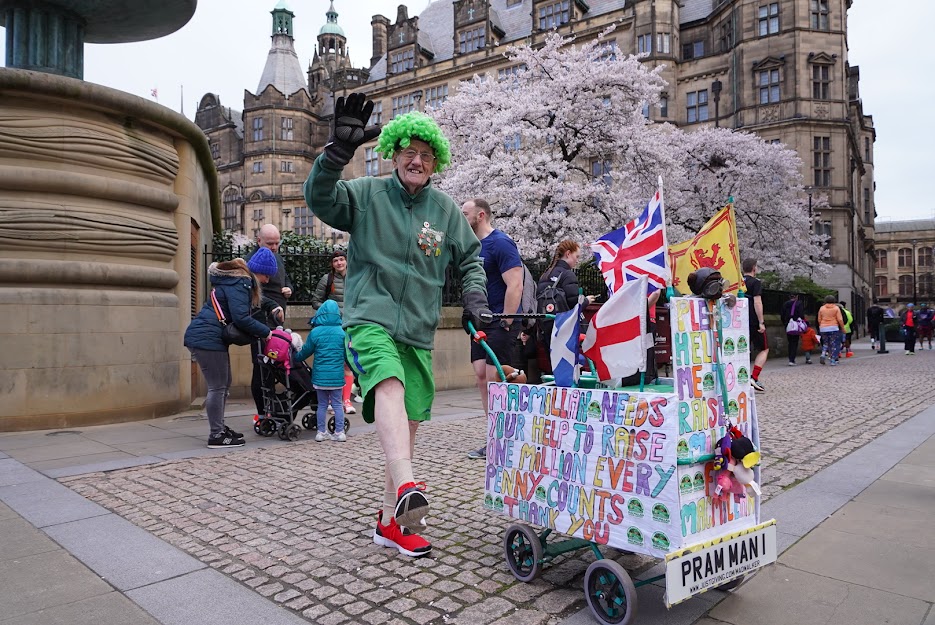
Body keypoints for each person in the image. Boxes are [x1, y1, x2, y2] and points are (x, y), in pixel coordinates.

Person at [303, 93, 490, 558]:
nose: (418, 160)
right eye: (409, 152)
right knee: (385, 381)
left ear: (436, 163)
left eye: (427, 155)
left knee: (405, 428)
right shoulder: (366, 195)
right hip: (370, 317)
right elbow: (319, 198)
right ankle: (409, 484)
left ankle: (391, 519)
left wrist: (474, 295)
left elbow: (469, 258)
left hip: (419, 331)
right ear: (393, 153)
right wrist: (336, 156)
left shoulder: (445, 211)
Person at [184, 250, 280, 447]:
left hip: (210, 337)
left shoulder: (235, 282)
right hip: (206, 338)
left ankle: (220, 428)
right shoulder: (241, 283)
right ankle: (216, 435)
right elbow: (241, 318)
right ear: (257, 271)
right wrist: (266, 332)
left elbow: (245, 310)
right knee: (218, 386)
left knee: (224, 384)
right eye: (266, 275)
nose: (268, 280)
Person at [462, 198, 524, 460]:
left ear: (480, 215)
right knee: (480, 375)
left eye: (465, 213)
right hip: (480, 321)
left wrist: (507, 321)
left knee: (491, 378)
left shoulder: (501, 243)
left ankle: (500, 439)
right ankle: (495, 431)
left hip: (500, 320)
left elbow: (515, 283)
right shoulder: (471, 246)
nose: (461, 217)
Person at [246, 225, 294, 419]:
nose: (274, 247)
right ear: (259, 241)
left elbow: (287, 279)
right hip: (260, 321)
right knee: (261, 366)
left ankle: (274, 408)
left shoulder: (278, 257)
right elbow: (252, 293)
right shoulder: (252, 261)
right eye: (269, 243)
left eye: (277, 243)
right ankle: (262, 412)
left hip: (277, 320)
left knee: (275, 366)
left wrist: (289, 289)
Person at [311, 250, 358, 415]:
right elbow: (316, 301)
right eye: (336, 260)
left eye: (342, 259)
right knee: (334, 362)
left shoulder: (355, 277)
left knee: (348, 362)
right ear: (332, 264)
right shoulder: (327, 279)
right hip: (332, 327)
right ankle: (332, 401)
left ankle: (346, 400)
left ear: (346, 261)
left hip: (350, 325)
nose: (339, 263)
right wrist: (330, 312)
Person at [295, 300, 347, 442]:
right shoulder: (342, 332)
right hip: (337, 376)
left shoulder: (315, 332)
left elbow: (305, 351)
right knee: (337, 404)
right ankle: (339, 432)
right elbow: (348, 354)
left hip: (320, 377)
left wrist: (295, 357)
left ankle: (321, 432)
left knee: (322, 404)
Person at [536, 240, 587, 374]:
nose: (578, 261)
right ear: (568, 254)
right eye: (577, 257)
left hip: (547, 327)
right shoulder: (567, 275)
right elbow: (574, 303)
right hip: (564, 327)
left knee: (555, 367)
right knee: (570, 368)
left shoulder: (545, 275)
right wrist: (586, 301)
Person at [742, 259, 768, 390]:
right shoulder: (755, 283)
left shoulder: (738, 282)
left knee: (742, 349)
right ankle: (754, 377)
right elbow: (757, 302)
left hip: (739, 321)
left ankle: (741, 378)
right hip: (753, 320)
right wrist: (761, 322)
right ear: (754, 268)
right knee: (764, 349)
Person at [817, 295, 845, 365]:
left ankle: (823, 354)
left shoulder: (822, 308)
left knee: (825, 343)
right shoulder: (836, 308)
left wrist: (821, 325)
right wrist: (842, 328)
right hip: (833, 327)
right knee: (834, 344)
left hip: (823, 328)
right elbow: (840, 319)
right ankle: (833, 360)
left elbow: (819, 319)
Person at [780, 293, 805, 366]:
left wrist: (785, 323)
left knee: (790, 342)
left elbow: (782, 315)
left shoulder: (785, 304)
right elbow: (801, 314)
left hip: (788, 324)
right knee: (794, 342)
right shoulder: (798, 304)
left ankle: (790, 358)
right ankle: (792, 359)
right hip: (795, 324)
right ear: (797, 297)